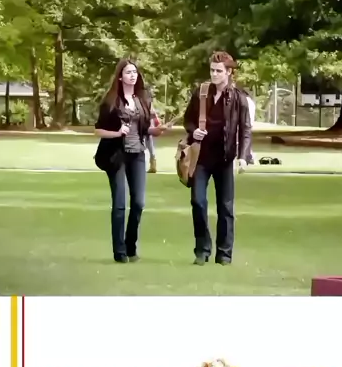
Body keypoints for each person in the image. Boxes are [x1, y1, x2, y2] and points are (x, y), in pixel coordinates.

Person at [95, 59, 169, 263]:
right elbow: (98, 130)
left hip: (137, 154)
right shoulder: (111, 101)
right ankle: (119, 252)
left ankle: (130, 246)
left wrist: (157, 130)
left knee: (138, 203)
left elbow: (145, 129)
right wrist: (117, 133)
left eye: (134, 72)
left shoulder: (142, 100)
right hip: (117, 155)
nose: (132, 75)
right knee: (120, 204)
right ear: (120, 77)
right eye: (128, 72)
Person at [183, 51, 252, 266]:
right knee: (198, 202)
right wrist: (194, 131)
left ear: (229, 72)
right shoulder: (201, 93)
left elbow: (245, 130)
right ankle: (202, 250)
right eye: (212, 70)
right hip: (201, 157)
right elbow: (188, 120)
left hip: (225, 158)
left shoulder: (239, 97)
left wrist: (243, 157)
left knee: (226, 207)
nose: (214, 74)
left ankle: (224, 254)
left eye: (218, 71)